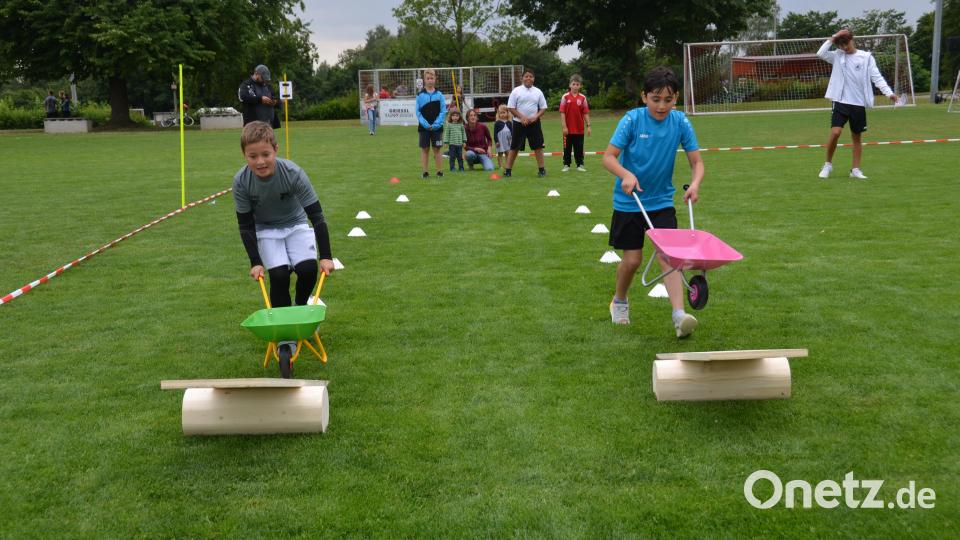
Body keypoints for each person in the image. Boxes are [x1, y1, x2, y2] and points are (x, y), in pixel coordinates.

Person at [601, 67, 704, 338]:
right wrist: (626, 174)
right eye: (655, 99)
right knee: (632, 261)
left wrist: (694, 184)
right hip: (629, 202)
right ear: (644, 96)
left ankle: (679, 316)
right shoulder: (631, 120)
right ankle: (620, 301)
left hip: (661, 202)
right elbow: (609, 157)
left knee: (668, 256)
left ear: (676, 98)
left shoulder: (680, 122)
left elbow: (697, 162)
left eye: (668, 100)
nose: (661, 106)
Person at [232, 121, 335, 357]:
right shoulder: (241, 181)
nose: (260, 162)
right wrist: (255, 261)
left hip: (296, 223)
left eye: (266, 154)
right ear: (244, 155)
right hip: (266, 230)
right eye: (253, 156)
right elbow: (245, 225)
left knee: (308, 269)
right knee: (278, 276)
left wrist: (327, 256)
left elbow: (316, 216)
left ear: (276, 150)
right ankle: (283, 337)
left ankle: (300, 309)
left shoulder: (293, 173)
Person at [816, 28, 898, 180]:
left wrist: (889, 93)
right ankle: (827, 165)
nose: (844, 48)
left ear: (851, 40)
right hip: (840, 101)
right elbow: (820, 53)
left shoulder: (866, 57)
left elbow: (877, 77)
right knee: (835, 133)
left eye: (845, 43)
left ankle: (855, 170)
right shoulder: (837, 56)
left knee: (856, 138)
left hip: (859, 104)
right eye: (840, 45)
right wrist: (834, 37)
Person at [504, 69, 548, 178]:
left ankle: (542, 170)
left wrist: (536, 117)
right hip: (519, 123)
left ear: (534, 78)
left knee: (538, 147)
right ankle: (508, 171)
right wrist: (522, 117)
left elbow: (543, 108)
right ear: (522, 78)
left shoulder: (538, 92)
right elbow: (510, 107)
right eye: (526, 76)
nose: (528, 78)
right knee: (514, 147)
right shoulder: (516, 91)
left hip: (534, 124)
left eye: (531, 76)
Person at [415, 69, 446, 178]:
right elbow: (417, 112)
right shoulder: (420, 95)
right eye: (428, 78)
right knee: (425, 149)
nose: (430, 80)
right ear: (424, 80)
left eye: (432, 78)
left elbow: (443, 111)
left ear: (435, 79)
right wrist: (425, 124)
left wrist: (437, 124)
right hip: (424, 128)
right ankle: (425, 172)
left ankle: (439, 172)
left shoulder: (440, 95)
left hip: (437, 127)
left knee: (437, 149)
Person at [559, 74, 592, 172]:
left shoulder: (583, 98)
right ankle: (566, 165)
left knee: (579, 148)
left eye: (577, 84)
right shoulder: (565, 97)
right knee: (567, 148)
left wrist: (589, 126)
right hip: (567, 129)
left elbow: (586, 113)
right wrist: (564, 127)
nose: (575, 86)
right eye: (573, 84)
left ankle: (580, 165)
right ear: (570, 85)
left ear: (580, 86)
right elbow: (562, 113)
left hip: (579, 129)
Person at [493, 104, 512, 170]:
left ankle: (507, 165)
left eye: (504, 112)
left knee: (508, 153)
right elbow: (495, 133)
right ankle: (500, 166)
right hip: (500, 141)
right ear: (498, 114)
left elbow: (511, 133)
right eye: (501, 113)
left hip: (507, 140)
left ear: (507, 113)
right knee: (500, 154)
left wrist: (511, 140)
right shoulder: (497, 123)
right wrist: (496, 141)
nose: (502, 114)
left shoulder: (509, 123)